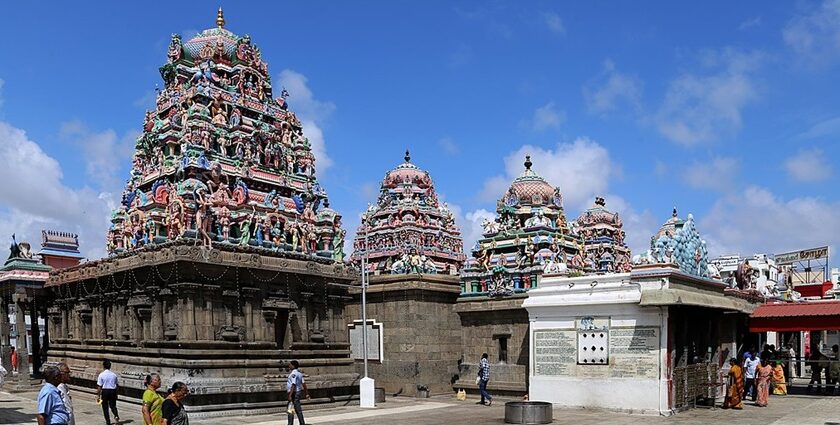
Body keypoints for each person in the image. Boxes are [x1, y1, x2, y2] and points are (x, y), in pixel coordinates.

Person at [96, 359, 120, 425]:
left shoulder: (101, 375)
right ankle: (116, 416)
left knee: (105, 407)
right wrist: (116, 393)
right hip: (113, 391)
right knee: (113, 406)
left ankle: (108, 422)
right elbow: (117, 385)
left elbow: (99, 386)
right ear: (110, 366)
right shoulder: (114, 375)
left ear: (103, 366)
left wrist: (98, 395)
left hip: (105, 391)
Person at [287, 360, 310, 425]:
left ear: (293, 366)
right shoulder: (300, 374)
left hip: (294, 393)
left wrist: (290, 395)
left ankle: (291, 423)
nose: (289, 366)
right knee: (297, 409)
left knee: (291, 408)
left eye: (290, 364)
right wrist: (307, 393)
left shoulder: (293, 374)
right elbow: (304, 384)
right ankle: (301, 423)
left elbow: (293, 384)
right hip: (297, 392)